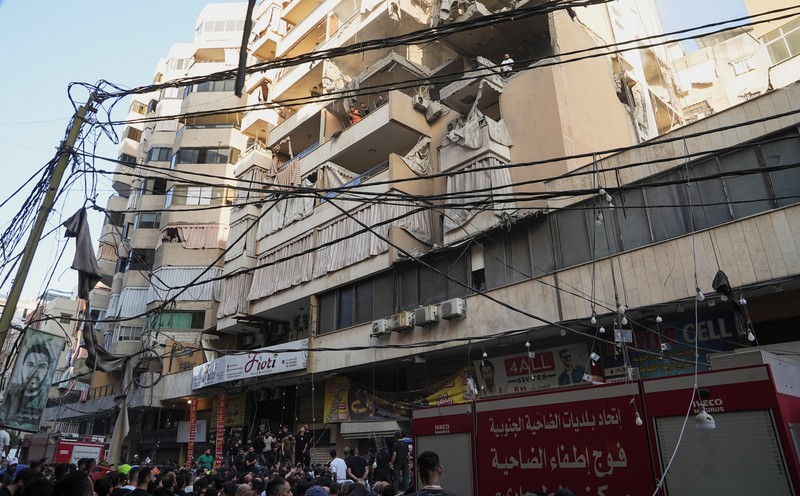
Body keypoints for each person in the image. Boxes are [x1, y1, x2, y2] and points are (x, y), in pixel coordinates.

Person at [0, 342, 55, 430]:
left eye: (41, 366)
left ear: (48, 371)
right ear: (22, 367)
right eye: (30, 365)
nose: (34, 372)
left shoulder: (43, 399)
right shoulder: (11, 393)